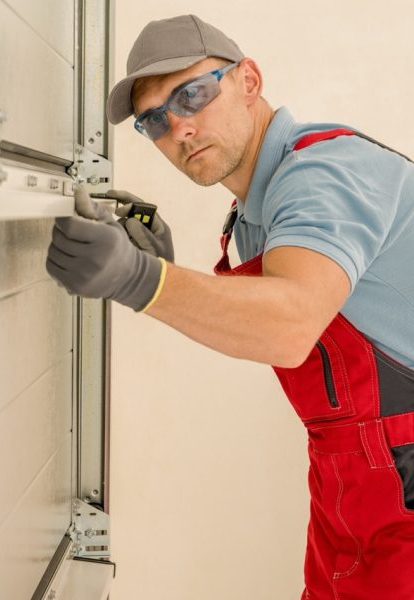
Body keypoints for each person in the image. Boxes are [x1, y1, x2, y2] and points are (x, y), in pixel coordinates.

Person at [46, 14, 414, 600]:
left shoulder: (323, 171)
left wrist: (142, 278)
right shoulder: (252, 215)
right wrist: (171, 275)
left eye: (192, 94)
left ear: (248, 79)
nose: (180, 128)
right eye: (155, 121)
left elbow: (290, 324)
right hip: (350, 484)